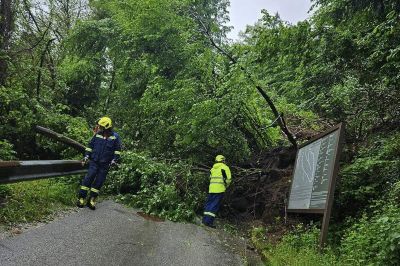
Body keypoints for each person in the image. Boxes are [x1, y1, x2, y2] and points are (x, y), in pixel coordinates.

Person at [77, 116, 122, 210]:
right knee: (88, 179)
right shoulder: (97, 135)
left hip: (105, 165)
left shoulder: (115, 137)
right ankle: (81, 198)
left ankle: (92, 200)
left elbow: (117, 150)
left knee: (98, 183)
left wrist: (114, 160)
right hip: (94, 162)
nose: (100, 128)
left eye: (101, 127)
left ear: (107, 127)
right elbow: (90, 146)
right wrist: (86, 156)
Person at [202, 155, 232, 228]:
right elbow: (228, 179)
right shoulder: (225, 168)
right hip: (219, 189)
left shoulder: (212, 169)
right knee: (214, 206)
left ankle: (204, 220)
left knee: (208, 204)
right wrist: (226, 186)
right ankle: (208, 223)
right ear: (223, 160)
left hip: (211, 189)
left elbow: (210, 178)